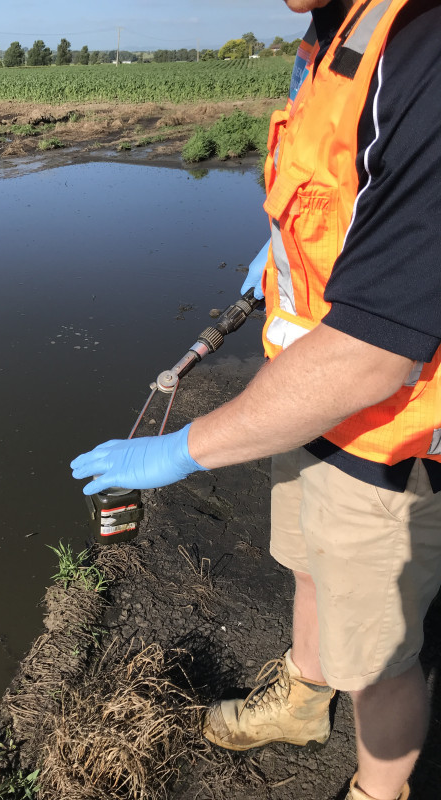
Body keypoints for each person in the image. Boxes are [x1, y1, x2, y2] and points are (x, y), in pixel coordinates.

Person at [71, 1, 441, 798]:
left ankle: (379, 791)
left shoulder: (425, 46)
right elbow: (344, 202)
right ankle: (304, 701)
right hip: (308, 400)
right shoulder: (335, 33)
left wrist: (180, 448)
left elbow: (377, 351)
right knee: (308, 566)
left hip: (389, 437)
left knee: (378, 658)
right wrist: (273, 258)